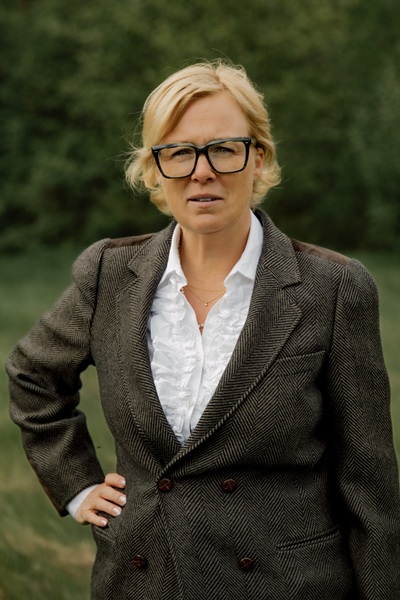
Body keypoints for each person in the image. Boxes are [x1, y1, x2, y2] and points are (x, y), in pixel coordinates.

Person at [6, 60, 400, 600]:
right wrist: (76, 485)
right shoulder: (108, 274)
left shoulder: (332, 287)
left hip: (286, 586)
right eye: (179, 152)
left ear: (258, 157)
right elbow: (33, 375)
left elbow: (369, 485)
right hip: (142, 582)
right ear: (155, 168)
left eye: (223, 149)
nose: (202, 171)